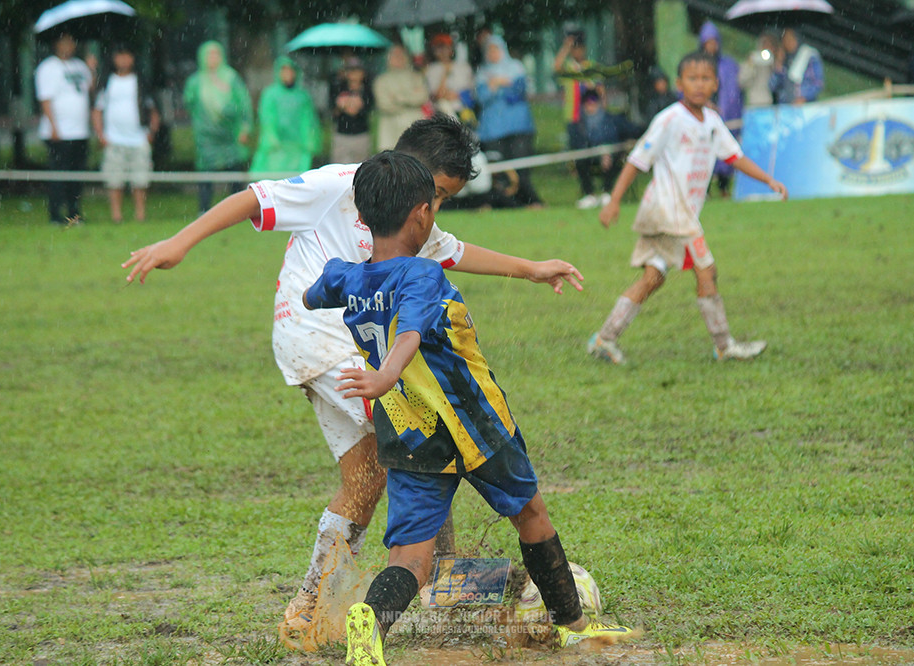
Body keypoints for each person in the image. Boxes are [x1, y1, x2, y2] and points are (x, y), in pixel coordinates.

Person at [121, 114, 585, 626]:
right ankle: (441, 581)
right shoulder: (344, 185)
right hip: (321, 338)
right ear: (412, 179)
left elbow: (455, 252)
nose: (437, 208)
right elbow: (254, 197)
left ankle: (310, 606)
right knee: (425, 438)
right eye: (438, 194)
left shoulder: (410, 218)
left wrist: (532, 269)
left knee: (367, 473)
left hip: (341, 351)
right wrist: (179, 242)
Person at [301, 151, 634, 665]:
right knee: (531, 513)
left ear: (361, 218)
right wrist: (386, 373)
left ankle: (370, 625)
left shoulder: (347, 276)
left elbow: (312, 295)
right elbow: (410, 330)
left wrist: (335, 284)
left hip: (408, 434)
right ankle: (573, 625)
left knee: (410, 557)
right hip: (474, 424)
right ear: (423, 214)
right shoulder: (423, 275)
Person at [588, 52, 788, 365]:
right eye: (692, 79)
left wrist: (768, 180)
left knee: (653, 278)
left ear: (716, 83)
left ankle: (605, 338)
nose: (699, 84)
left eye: (705, 78)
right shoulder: (669, 119)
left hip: (673, 214)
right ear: (680, 83)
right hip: (669, 211)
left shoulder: (712, 121)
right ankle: (724, 346)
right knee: (707, 270)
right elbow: (639, 160)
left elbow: (734, 157)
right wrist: (614, 200)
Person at [92, 44, 160, 223]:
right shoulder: (107, 82)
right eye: (119, 56)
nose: (123, 60)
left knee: (140, 180)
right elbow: (97, 110)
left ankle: (140, 215)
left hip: (138, 139)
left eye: (127, 56)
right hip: (114, 139)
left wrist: (151, 132)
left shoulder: (141, 82)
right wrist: (101, 134)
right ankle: (116, 215)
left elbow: (153, 110)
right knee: (114, 180)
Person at [183, 41, 253, 214]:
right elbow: (189, 103)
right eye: (209, 55)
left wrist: (245, 128)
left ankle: (238, 211)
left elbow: (244, 104)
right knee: (206, 175)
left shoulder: (231, 77)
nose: (213, 59)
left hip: (230, 136)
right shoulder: (196, 81)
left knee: (234, 172)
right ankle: (204, 211)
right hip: (206, 138)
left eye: (216, 54)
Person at [475, 35, 544, 208]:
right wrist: (500, 85)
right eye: (489, 50)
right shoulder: (482, 73)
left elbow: (518, 93)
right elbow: (481, 98)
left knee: (521, 167)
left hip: (519, 127)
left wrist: (497, 85)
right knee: (499, 170)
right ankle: (508, 203)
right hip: (493, 130)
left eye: (496, 49)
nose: (493, 54)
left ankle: (530, 200)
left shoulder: (516, 68)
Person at [35, 31, 93, 225]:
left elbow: (90, 90)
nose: (68, 46)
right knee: (59, 174)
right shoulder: (48, 67)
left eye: (71, 42)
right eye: (64, 42)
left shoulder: (80, 66)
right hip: (60, 133)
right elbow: (45, 99)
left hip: (80, 132)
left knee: (76, 175)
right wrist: (54, 126)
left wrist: (92, 69)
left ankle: (74, 213)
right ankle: (55, 213)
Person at [553, 30, 606, 209]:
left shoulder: (591, 66)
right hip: (574, 117)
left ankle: (605, 190)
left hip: (592, 119)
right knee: (579, 156)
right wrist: (566, 46)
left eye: (578, 48)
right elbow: (556, 66)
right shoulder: (568, 67)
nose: (577, 52)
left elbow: (601, 92)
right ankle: (588, 192)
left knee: (599, 153)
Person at [250, 55, 321, 175]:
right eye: (284, 70)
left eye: (290, 70)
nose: (287, 74)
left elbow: (308, 121)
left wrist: (310, 141)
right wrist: (271, 139)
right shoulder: (270, 94)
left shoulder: (302, 96)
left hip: (298, 149)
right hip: (275, 149)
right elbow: (267, 119)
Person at [698, 22, 743, 198]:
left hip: (724, 117)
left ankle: (724, 189)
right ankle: (704, 191)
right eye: (708, 42)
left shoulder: (728, 65)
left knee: (727, 152)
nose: (711, 46)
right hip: (703, 117)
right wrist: (705, 103)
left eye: (714, 42)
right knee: (704, 154)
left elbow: (733, 92)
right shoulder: (696, 65)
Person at [373, 45, 430, 152]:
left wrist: (398, 98)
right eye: (395, 55)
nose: (398, 58)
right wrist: (410, 99)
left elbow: (422, 97)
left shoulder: (416, 77)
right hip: (390, 130)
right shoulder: (381, 80)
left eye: (401, 55)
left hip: (413, 129)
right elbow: (384, 104)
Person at [571, 89, 622, 206]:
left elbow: (617, 136)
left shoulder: (610, 119)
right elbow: (577, 143)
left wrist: (607, 151)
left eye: (593, 102)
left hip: (609, 155)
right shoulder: (578, 124)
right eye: (587, 102)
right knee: (580, 161)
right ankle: (590, 194)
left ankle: (606, 192)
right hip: (588, 156)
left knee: (616, 159)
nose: (591, 105)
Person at [330, 58, 374, 164]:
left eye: (357, 71)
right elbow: (332, 111)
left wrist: (351, 105)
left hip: (361, 134)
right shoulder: (338, 88)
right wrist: (343, 106)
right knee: (339, 168)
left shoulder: (367, 90)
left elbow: (367, 109)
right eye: (351, 71)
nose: (354, 74)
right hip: (342, 134)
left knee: (361, 167)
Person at [424, 33, 475, 123]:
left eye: (446, 47)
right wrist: (445, 73)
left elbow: (472, 91)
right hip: (443, 115)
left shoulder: (463, 67)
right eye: (439, 48)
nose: (443, 51)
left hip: (465, 111)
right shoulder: (431, 70)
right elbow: (437, 95)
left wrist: (458, 95)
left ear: (451, 49)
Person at [769, 28, 824, 105]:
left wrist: (804, 97)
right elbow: (773, 86)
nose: (787, 42)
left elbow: (818, 83)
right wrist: (778, 64)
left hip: (805, 107)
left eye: (789, 38)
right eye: (784, 39)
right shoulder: (784, 60)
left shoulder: (809, 56)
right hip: (785, 107)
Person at [738, 32, 778, 107]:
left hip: (775, 106)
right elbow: (742, 82)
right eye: (765, 44)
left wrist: (777, 62)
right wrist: (750, 64)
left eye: (771, 45)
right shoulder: (754, 60)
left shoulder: (778, 62)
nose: (768, 48)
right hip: (757, 104)